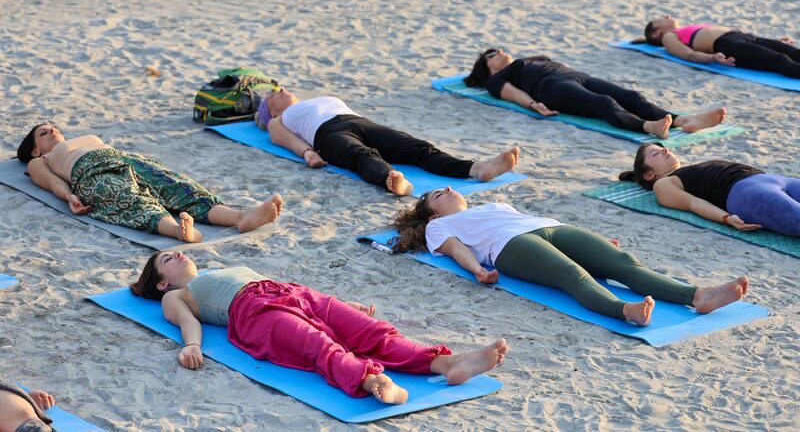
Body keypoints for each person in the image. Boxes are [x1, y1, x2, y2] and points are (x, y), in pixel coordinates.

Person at [130, 251, 508, 404]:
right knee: (319, 346)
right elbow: (188, 322)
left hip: (293, 293)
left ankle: (447, 364)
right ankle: (371, 381)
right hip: (253, 313)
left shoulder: (217, 267)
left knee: (371, 331)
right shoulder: (174, 296)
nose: (177, 253)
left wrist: (342, 304)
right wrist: (192, 345)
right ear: (162, 282)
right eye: (167, 259)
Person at [393, 187, 750, 326]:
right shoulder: (439, 226)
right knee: (572, 274)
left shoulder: (492, 204)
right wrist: (477, 271)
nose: (448, 189)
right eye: (438, 195)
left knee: (622, 263)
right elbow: (457, 250)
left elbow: (527, 218)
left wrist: (599, 243)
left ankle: (698, 296)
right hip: (508, 246)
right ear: (432, 214)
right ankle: (624, 311)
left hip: (549, 227)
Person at [17, 124, 282, 242]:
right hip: (91, 174)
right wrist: (69, 197)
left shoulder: (81, 139)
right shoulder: (39, 161)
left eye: (54, 127)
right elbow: (51, 183)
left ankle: (240, 217)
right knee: (132, 200)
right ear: (35, 149)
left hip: (126, 160)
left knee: (179, 187)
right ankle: (179, 232)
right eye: (44, 132)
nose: (52, 130)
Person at [257, 89, 519, 195]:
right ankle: (392, 181)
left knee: (415, 147)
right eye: (273, 95)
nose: (280, 90)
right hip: (326, 134)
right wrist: (307, 153)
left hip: (359, 121)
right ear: (272, 111)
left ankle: (476, 168)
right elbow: (281, 137)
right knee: (361, 155)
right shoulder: (278, 120)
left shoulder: (311, 101)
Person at [465, 48, 726, 139]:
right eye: (492, 54)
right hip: (551, 88)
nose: (499, 51)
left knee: (631, 96)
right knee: (604, 103)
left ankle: (684, 120)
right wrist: (534, 105)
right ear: (489, 70)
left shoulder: (530, 58)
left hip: (577, 76)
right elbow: (512, 94)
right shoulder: (497, 80)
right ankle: (649, 127)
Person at [619, 143, 800, 236]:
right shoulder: (662, 184)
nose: (665, 150)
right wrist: (726, 218)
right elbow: (694, 204)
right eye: (655, 153)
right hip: (746, 194)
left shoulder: (687, 170)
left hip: (772, 179)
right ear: (649, 175)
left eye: (662, 148)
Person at [640, 15, 800, 78]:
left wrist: (774, 41)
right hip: (728, 45)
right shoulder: (668, 37)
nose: (666, 16)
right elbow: (690, 55)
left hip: (745, 37)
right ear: (656, 33)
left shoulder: (683, 30)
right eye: (660, 19)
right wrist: (712, 57)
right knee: (781, 60)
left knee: (792, 51)